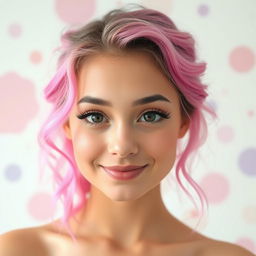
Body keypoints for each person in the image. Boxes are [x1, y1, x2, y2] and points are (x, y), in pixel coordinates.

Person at [0, 4, 254, 256]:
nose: (122, 146)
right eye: (95, 116)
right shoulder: (18, 250)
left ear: (183, 122)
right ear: (67, 123)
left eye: (150, 115)